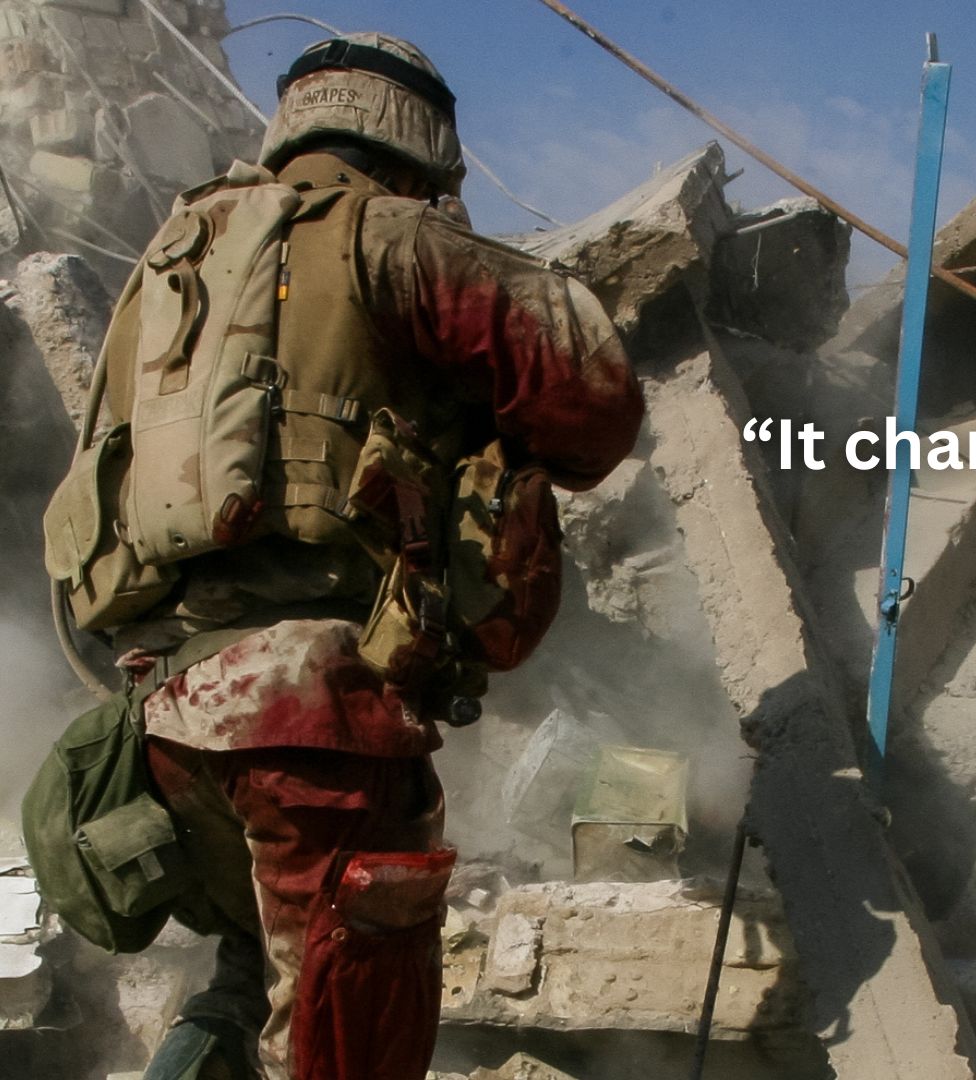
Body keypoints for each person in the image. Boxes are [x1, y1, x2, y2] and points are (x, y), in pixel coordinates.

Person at [78, 33, 643, 1080]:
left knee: (251, 979)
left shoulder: (170, 261)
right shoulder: (389, 236)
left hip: (160, 716)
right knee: (347, 1047)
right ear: (421, 153)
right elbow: (592, 401)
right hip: (312, 724)